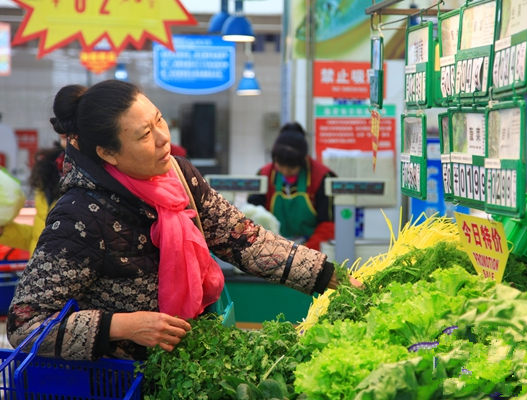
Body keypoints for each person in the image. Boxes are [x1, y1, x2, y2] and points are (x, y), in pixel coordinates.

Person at [7, 80, 359, 361]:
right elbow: (25, 324)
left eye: (159, 120)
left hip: (188, 360)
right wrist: (122, 326)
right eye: (145, 135)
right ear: (107, 153)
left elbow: (244, 239)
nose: (163, 139)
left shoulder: (179, 175)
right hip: (121, 380)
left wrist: (332, 277)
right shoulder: (78, 216)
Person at [0, 85, 85, 254]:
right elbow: (39, 236)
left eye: (72, 120)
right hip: (40, 274)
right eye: (60, 119)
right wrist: (4, 232)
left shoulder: (97, 178)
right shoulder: (50, 170)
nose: (63, 128)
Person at [248, 122, 336, 251]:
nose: (285, 171)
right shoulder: (264, 175)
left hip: (311, 251)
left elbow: (328, 224)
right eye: (280, 165)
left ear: (304, 161)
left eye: (291, 168)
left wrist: (305, 251)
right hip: (271, 251)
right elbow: (253, 216)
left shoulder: (322, 178)